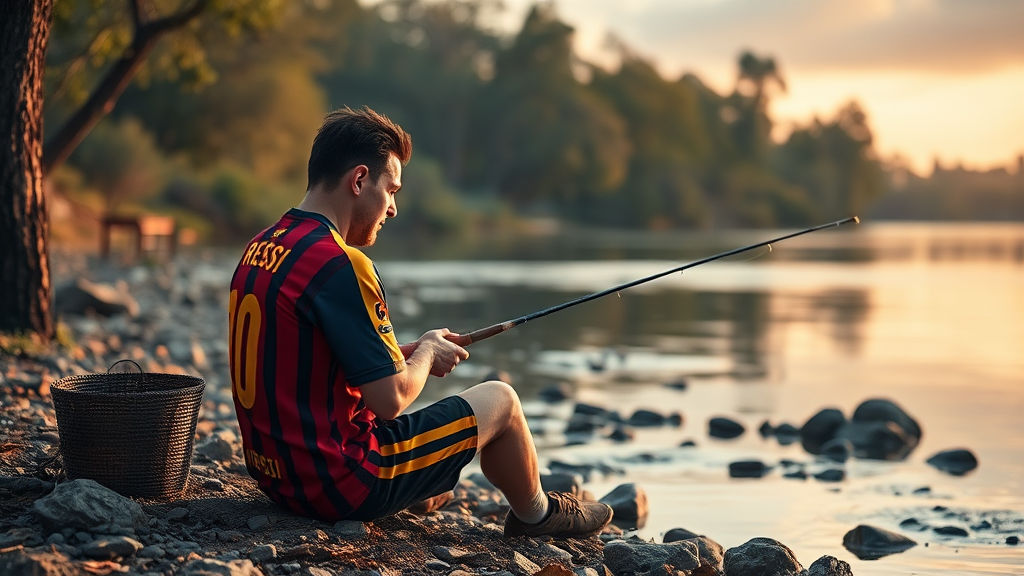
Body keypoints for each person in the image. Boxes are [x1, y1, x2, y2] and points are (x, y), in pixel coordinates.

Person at [227, 106, 612, 538]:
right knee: (501, 399)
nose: (392, 208)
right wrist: (427, 355)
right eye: (391, 190)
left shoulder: (262, 246)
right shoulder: (340, 265)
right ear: (358, 181)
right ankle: (538, 515)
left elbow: (308, 356)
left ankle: (420, 491)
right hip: (339, 485)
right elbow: (389, 401)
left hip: (276, 478)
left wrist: (411, 349)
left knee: (432, 448)